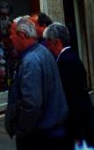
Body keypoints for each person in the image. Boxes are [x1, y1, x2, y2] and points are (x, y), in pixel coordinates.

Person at [5, 15, 70, 150]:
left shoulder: (31, 61)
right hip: (51, 129)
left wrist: (22, 130)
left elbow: (31, 104)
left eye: (12, 34)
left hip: (40, 135)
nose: (10, 38)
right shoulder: (43, 51)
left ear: (22, 35)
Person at [44, 22, 94, 148]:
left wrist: (77, 131)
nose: (48, 48)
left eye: (49, 44)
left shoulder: (65, 62)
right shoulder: (71, 57)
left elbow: (73, 99)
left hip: (79, 126)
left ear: (57, 42)